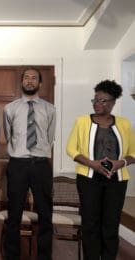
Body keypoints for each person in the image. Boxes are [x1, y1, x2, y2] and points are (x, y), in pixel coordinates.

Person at [66, 80, 135, 260]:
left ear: (113, 102)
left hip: (117, 180)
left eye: (103, 100)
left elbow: (134, 153)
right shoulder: (82, 121)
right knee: (90, 224)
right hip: (89, 179)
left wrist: (120, 163)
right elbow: (71, 149)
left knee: (111, 225)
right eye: (95, 99)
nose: (97, 103)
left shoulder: (125, 124)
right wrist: (92, 164)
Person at [3, 67, 56, 260]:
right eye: (26, 78)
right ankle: (11, 256)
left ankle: (44, 257)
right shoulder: (10, 108)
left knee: (45, 214)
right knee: (14, 213)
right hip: (18, 164)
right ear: (22, 82)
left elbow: (50, 138)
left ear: (40, 83)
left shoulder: (50, 109)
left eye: (34, 78)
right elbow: (9, 136)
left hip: (41, 164)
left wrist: (39, 152)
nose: (30, 81)